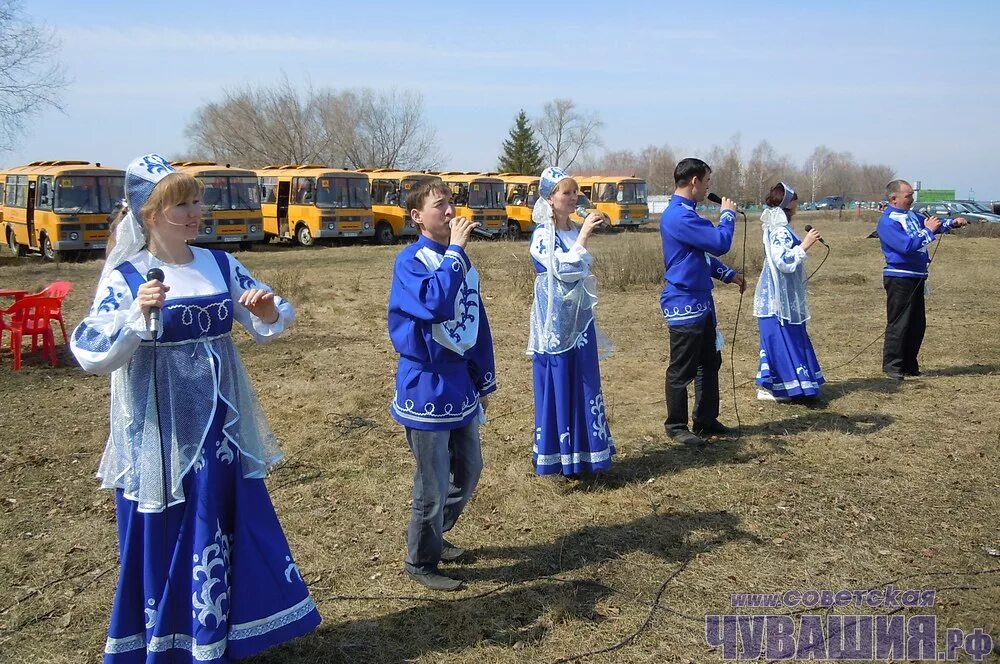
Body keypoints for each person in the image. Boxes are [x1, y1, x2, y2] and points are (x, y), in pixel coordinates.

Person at [71, 154, 320, 663]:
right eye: (180, 205)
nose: (193, 213)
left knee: (221, 523)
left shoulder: (218, 264)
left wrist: (267, 310)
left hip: (220, 432)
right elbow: (90, 350)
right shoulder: (127, 277)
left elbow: (270, 314)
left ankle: (223, 633)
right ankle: (171, 640)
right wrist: (136, 315)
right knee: (173, 528)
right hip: (160, 436)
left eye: (195, 202)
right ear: (149, 215)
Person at [387, 179, 496, 592]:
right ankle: (420, 559)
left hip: (459, 383)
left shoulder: (460, 261)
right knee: (431, 482)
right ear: (417, 216)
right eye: (439, 205)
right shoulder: (410, 262)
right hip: (426, 386)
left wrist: (483, 378)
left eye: (451, 202)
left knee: (468, 469)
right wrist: (456, 253)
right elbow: (433, 303)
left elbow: (474, 322)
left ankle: (432, 533)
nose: (450, 211)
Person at [528, 167, 615, 479]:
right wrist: (584, 236)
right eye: (566, 192)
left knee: (585, 378)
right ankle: (561, 457)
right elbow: (562, 270)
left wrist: (583, 230)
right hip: (555, 324)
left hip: (579, 319)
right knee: (561, 379)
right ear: (550, 198)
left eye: (576, 192)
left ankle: (589, 453)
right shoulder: (543, 235)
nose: (574, 197)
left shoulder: (571, 230)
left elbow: (579, 268)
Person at [659, 158, 746, 446]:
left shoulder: (687, 213)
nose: (709, 187)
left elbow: (700, 257)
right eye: (707, 181)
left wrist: (729, 275)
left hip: (702, 300)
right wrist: (728, 215)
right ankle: (676, 425)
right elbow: (719, 243)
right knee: (683, 367)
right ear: (695, 181)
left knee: (709, 362)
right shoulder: (679, 216)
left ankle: (706, 420)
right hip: (684, 302)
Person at [878, 180, 967, 379]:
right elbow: (907, 246)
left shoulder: (911, 215)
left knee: (917, 324)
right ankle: (893, 366)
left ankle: (909, 365)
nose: (912, 199)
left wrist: (952, 223)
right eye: (908, 196)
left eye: (912, 195)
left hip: (918, 276)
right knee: (899, 323)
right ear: (894, 198)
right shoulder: (888, 222)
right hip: (899, 277)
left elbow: (934, 225)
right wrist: (928, 231)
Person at [753, 182, 825, 402]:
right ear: (789, 203)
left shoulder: (781, 228)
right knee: (781, 339)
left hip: (785, 297)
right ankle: (777, 387)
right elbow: (782, 260)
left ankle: (795, 385)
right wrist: (805, 245)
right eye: (795, 200)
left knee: (790, 338)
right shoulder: (779, 230)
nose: (798, 204)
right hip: (777, 300)